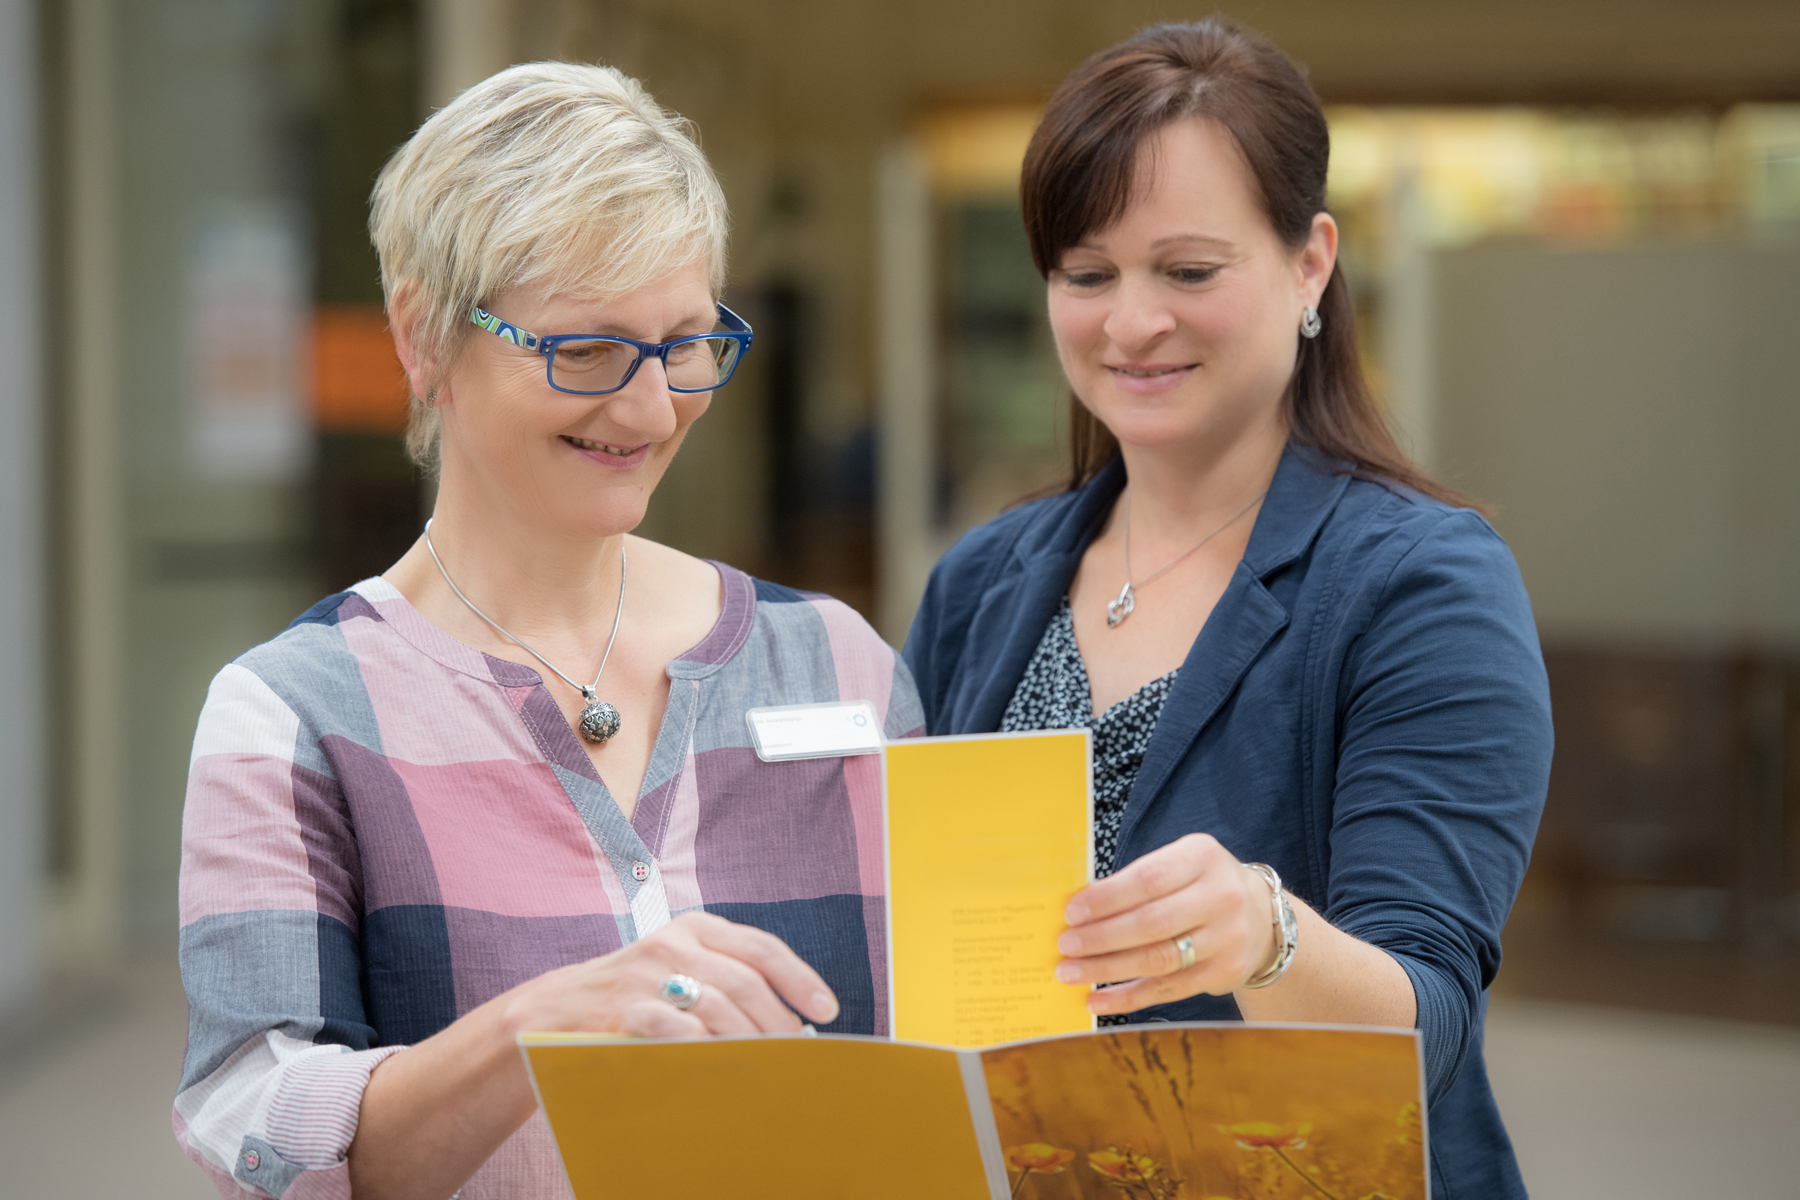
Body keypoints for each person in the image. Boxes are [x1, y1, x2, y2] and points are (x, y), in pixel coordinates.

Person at [173, 63, 920, 1200]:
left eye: (684, 343)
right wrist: (541, 1026)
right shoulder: (297, 716)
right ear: (424, 337)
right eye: (586, 350)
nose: (651, 407)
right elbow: (262, 1143)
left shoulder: (839, 662)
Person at [903, 20, 1551, 1199]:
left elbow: (1428, 1023)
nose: (1130, 323)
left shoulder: (1421, 585)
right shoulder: (982, 583)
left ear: (1311, 264)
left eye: (1189, 271)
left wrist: (1266, 932)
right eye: (1086, 275)